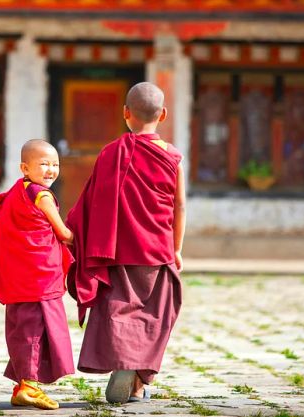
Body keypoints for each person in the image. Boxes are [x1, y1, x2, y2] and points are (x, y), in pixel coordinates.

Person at [66, 81, 186, 404]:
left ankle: (124, 365)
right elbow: (180, 206)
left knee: (119, 308)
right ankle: (138, 379)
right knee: (159, 312)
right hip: (158, 251)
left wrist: (75, 234)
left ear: (125, 113)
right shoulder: (173, 157)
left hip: (120, 250)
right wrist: (176, 248)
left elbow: (92, 202)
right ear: (162, 115)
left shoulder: (111, 153)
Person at [0, 139, 75, 410]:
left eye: (55, 164)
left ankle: (23, 385)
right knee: (35, 330)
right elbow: (63, 233)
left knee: (22, 328)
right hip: (39, 277)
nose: (51, 170)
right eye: (43, 164)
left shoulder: (18, 191)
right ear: (24, 167)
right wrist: (81, 238)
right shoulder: (43, 197)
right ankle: (30, 387)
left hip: (21, 276)